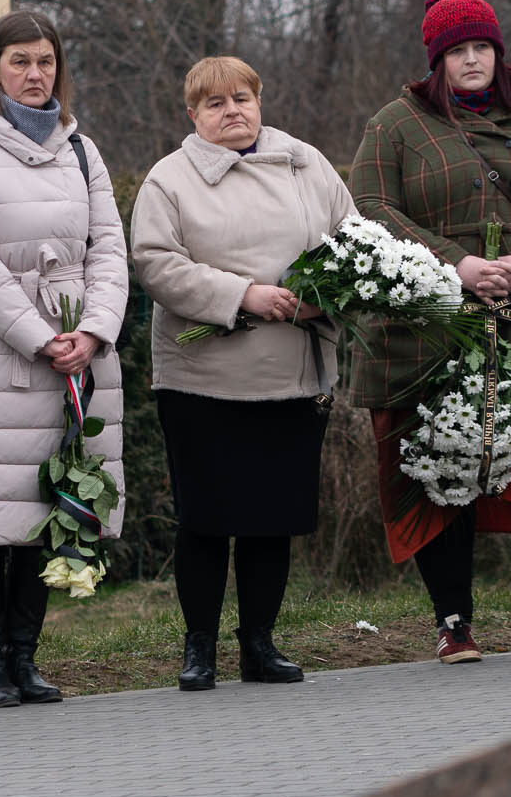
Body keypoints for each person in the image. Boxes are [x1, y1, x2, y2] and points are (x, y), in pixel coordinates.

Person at [350, 0, 511, 664]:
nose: (472, 60)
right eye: (457, 50)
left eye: (482, 47)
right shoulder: (395, 125)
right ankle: (454, 623)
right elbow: (372, 210)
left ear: (498, 51)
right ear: (437, 59)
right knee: (438, 465)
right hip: (430, 319)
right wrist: (456, 264)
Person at [131, 56, 356, 690]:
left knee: (272, 519)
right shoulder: (169, 180)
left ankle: (259, 642)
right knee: (206, 519)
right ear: (193, 115)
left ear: (260, 100)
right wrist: (242, 295)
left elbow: (357, 245)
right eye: (214, 103)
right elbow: (155, 262)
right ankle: (198, 646)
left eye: (242, 98)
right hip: (202, 378)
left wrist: (322, 294)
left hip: (292, 373)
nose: (232, 111)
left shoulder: (308, 163)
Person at [0, 10, 130, 707]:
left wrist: (94, 330)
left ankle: (25, 656)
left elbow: (109, 249)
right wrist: (37, 335)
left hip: (76, 356)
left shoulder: (82, 151)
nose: (35, 72)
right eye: (20, 60)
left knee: (54, 501)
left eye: (46, 60)